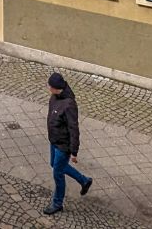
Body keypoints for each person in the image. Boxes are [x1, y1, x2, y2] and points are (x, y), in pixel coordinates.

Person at [44, 72, 92, 215]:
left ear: (56, 88)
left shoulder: (69, 105)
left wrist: (74, 151)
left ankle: (57, 203)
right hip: (54, 140)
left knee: (58, 173)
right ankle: (84, 180)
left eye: (49, 86)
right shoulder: (54, 97)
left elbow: (74, 129)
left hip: (63, 145)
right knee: (55, 164)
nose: (48, 87)